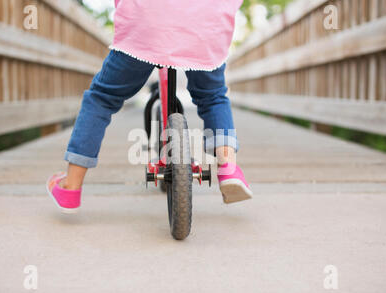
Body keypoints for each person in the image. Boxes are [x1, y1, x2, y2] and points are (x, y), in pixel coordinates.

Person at [47, 0, 252, 214]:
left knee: (102, 98)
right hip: (206, 28)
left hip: (147, 25)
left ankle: (71, 186)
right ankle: (229, 169)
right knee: (213, 97)